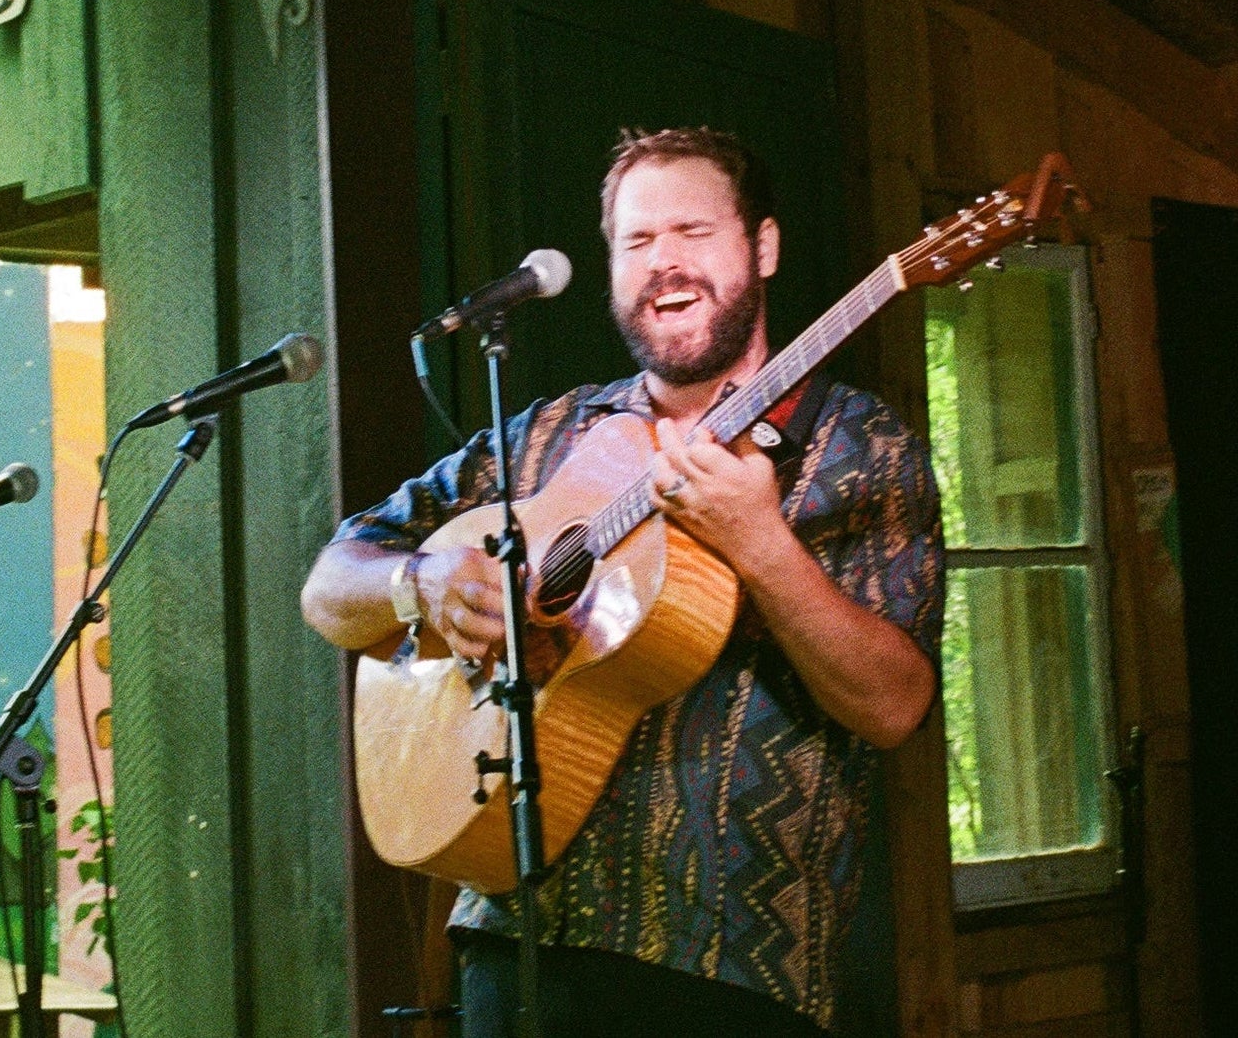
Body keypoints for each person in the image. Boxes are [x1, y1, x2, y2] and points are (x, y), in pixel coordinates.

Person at [302, 127, 944, 1037]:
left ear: (761, 246)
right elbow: (329, 582)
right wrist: (424, 581)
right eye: (637, 242)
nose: (665, 263)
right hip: (515, 943)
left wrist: (761, 543)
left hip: (729, 966)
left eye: (693, 232)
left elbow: (893, 705)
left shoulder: (860, 446)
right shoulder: (542, 436)